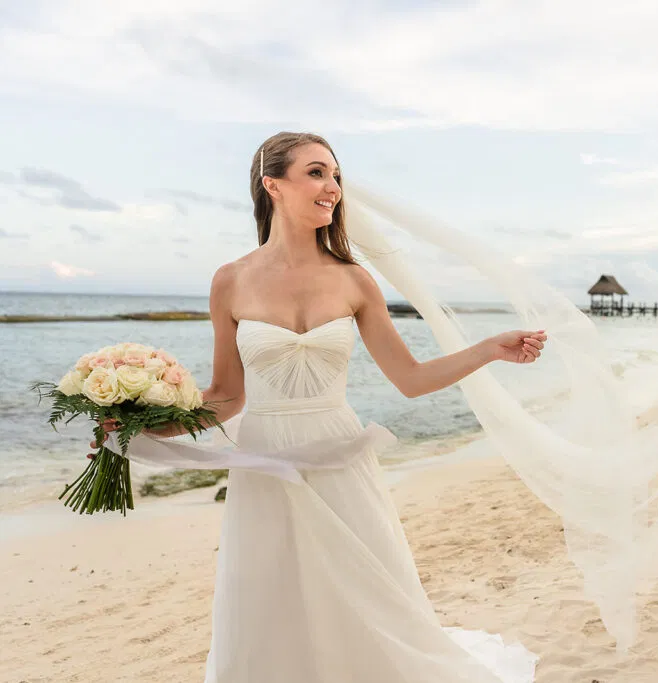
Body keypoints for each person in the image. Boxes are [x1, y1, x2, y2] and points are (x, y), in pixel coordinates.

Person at [95, 132, 544, 682]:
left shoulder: (355, 279)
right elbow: (226, 396)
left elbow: (410, 379)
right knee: (267, 595)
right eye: (315, 173)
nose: (332, 187)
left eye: (335, 176)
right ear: (273, 185)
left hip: (340, 455)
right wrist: (145, 426)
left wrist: (488, 350)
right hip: (263, 460)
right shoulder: (230, 280)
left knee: (368, 593)